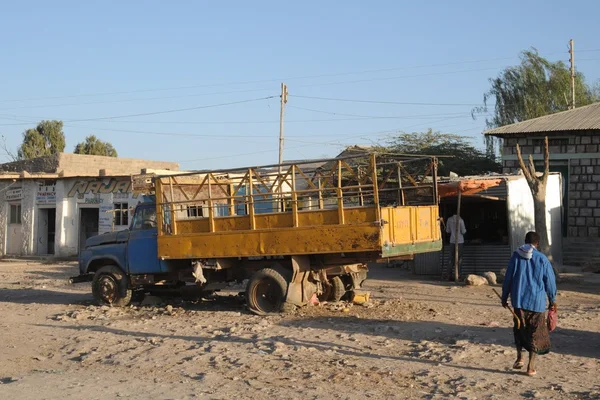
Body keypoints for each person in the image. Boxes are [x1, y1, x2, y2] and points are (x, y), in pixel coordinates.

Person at [501, 231, 557, 377]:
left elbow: (508, 278)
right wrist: (553, 300)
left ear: (524, 241)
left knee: (519, 329)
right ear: (537, 243)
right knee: (535, 333)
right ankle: (531, 367)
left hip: (518, 302)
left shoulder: (516, 256)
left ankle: (519, 357)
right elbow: (550, 282)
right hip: (537, 303)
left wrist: (504, 296)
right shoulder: (542, 259)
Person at [446, 214, 466, 279]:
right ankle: (458, 275)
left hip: (452, 241)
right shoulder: (460, 220)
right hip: (460, 242)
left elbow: (447, 231)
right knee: (459, 259)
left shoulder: (449, 219)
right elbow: (463, 231)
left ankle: (449, 275)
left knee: (451, 259)